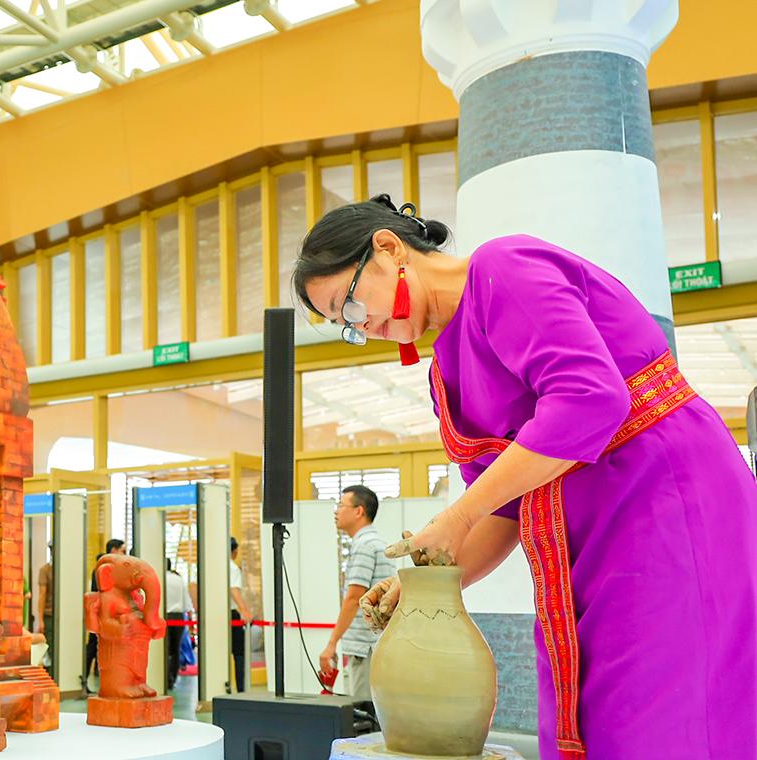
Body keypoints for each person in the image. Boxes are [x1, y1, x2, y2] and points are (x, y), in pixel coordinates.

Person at [293, 195, 757, 759]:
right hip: (579, 545)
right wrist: (426, 585)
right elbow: (505, 509)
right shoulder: (444, 374)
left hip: (664, 502)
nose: (364, 326)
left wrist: (455, 516)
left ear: (388, 250)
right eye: (348, 326)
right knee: (592, 710)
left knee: (663, 708)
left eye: (351, 304)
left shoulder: (501, 269)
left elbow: (589, 399)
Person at [319, 485, 395, 703]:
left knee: (364, 711)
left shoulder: (364, 546)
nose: (336, 511)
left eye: (341, 505)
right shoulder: (378, 543)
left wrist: (332, 643)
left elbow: (353, 599)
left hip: (365, 646)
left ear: (359, 511)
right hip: (374, 642)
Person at [85, 538, 124, 688]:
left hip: (110, 615)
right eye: (122, 550)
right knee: (94, 646)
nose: (123, 554)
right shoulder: (102, 568)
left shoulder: (113, 568)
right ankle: (85, 681)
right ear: (114, 550)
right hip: (102, 615)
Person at [163, 557, 193, 693]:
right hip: (178, 617)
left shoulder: (160, 578)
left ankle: (164, 678)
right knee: (175, 650)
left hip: (164, 616)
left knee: (164, 649)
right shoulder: (178, 579)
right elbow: (186, 600)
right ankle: (172, 679)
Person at [229, 536, 252, 692]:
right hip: (232, 615)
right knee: (239, 655)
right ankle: (241, 689)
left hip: (216, 615)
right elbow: (234, 590)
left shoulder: (214, 568)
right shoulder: (232, 568)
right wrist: (244, 610)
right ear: (235, 551)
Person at [35, 558, 54, 674]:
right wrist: (41, 619)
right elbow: (42, 595)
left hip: (56, 616)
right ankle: (50, 676)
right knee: (50, 649)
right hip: (49, 615)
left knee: (52, 649)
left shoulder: (48, 570)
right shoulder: (45, 570)